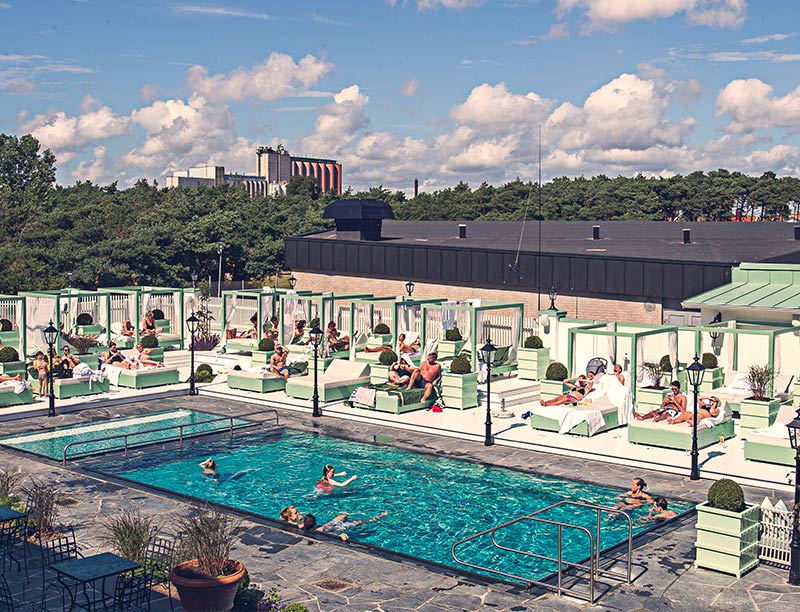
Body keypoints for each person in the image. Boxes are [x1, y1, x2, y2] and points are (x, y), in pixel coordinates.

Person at [303, 511, 388, 542]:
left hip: (331, 524)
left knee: (343, 515)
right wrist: (340, 535)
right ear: (314, 524)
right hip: (339, 527)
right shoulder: (318, 532)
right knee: (358, 522)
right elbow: (330, 536)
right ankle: (379, 517)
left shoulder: (305, 527)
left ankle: (355, 513)